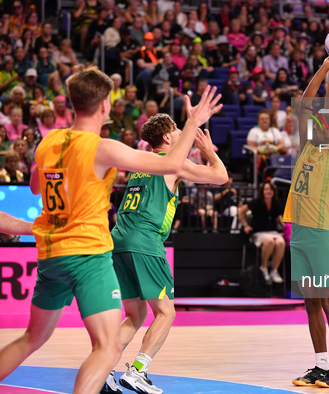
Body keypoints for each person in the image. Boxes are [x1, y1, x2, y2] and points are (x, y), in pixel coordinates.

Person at [0, 67, 218, 394]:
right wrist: (190, 123)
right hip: (88, 254)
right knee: (108, 347)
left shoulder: (49, 142)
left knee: (32, 337)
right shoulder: (104, 148)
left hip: (51, 254)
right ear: (105, 105)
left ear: (73, 103)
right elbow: (171, 165)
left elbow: (34, 187)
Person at [105, 104, 226, 393]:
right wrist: (208, 150)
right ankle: (138, 371)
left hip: (119, 240)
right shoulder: (172, 163)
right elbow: (220, 177)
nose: (180, 134)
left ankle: (105, 370)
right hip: (145, 242)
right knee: (166, 312)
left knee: (135, 316)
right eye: (176, 130)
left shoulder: (139, 162)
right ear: (169, 139)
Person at [284, 53, 329, 388]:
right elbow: (304, 105)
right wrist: (324, 67)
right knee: (310, 304)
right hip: (299, 233)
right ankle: (320, 366)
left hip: (324, 233)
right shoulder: (307, 149)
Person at [238, 182, 286, 283]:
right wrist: (246, 225)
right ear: (262, 192)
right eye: (266, 189)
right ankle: (263, 267)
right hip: (259, 232)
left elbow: (278, 217)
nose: (269, 191)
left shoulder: (276, 203)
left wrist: (285, 226)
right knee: (269, 242)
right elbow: (240, 211)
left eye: (271, 189)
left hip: (273, 232)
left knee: (281, 242)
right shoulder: (256, 202)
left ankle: (274, 270)